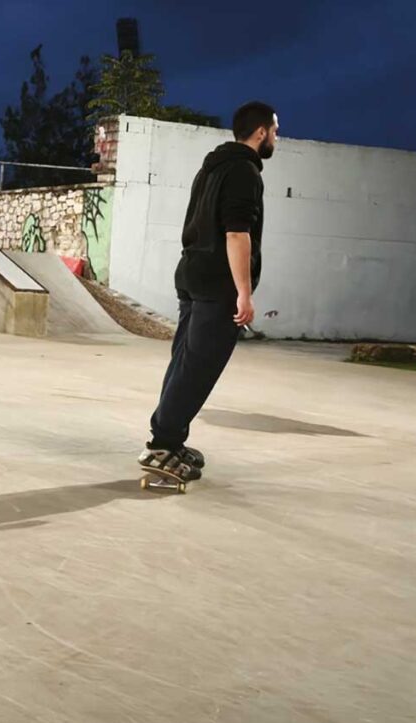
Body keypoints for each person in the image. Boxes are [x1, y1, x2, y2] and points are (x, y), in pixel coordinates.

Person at [139, 101, 279, 481]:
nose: (276, 139)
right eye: (275, 131)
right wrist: (244, 294)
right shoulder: (244, 171)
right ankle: (161, 446)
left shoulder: (212, 166)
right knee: (199, 368)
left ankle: (169, 436)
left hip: (192, 274)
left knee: (185, 361)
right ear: (261, 132)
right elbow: (237, 233)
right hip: (217, 285)